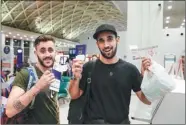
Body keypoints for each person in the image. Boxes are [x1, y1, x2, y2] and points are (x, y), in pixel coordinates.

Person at [69, 24, 152, 124]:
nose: (106, 45)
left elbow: (147, 100)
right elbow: (74, 95)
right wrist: (75, 77)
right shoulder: (88, 68)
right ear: (97, 44)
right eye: (101, 40)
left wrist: (147, 78)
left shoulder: (130, 70)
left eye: (110, 39)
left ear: (117, 40)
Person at [5, 35, 59, 124]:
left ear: (55, 52)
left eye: (50, 50)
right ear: (35, 53)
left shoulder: (55, 73)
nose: (47, 54)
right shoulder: (25, 74)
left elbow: (54, 102)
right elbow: (9, 111)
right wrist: (37, 87)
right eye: (42, 50)